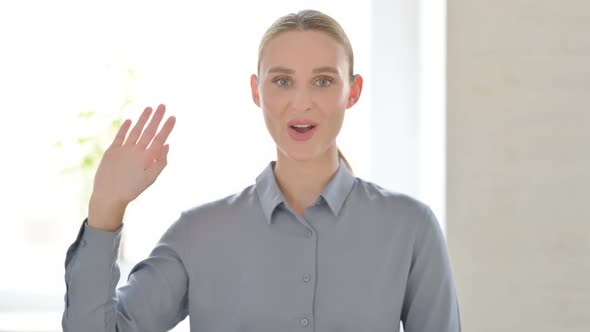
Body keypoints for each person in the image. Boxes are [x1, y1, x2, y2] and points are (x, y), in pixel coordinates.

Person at [62, 9, 461, 332]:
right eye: (283, 81)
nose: (301, 103)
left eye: (323, 81)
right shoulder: (199, 233)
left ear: (352, 91)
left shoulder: (410, 228)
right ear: (257, 91)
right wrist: (106, 207)